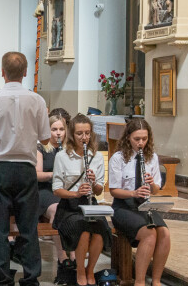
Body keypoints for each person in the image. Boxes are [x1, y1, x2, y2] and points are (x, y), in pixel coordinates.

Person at [0, 51, 51, 286]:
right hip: (27, 170)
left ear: (2, 72)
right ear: (26, 72)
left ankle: (2, 279)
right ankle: (30, 279)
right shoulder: (37, 100)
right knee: (29, 228)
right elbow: (46, 139)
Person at [52, 114, 112, 286]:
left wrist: (93, 183)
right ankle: (80, 271)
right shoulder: (62, 156)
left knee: (100, 231)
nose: (84, 137)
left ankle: (90, 270)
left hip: (90, 204)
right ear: (72, 134)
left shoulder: (97, 157)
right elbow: (56, 190)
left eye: (87, 133)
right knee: (83, 230)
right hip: (69, 206)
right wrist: (76, 194)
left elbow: (99, 189)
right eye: (79, 134)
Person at [109, 118, 170, 286]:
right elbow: (113, 190)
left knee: (164, 234)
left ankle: (156, 281)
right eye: (137, 139)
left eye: (144, 139)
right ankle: (140, 282)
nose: (141, 143)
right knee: (149, 234)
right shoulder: (118, 158)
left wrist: (151, 184)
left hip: (144, 205)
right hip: (123, 206)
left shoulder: (152, 157)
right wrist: (133, 192)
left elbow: (156, 189)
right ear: (128, 137)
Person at [35, 115, 75, 283]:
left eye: (61, 129)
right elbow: (36, 175)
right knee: (58, 211)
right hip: (45, 191)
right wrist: (55, 174)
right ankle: (63, 258)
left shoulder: (69, 149)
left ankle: (73, 258)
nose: (58, 133)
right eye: (54, 129)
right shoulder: (41, 147)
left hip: (65, 190)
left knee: (74, 213)